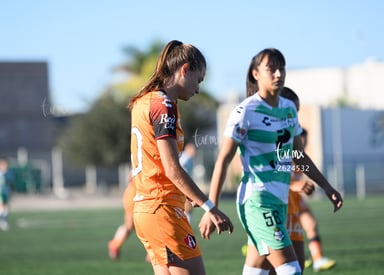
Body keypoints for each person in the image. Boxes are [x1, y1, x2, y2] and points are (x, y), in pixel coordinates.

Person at [199, 48, 343, 275]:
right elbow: (223, 160)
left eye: (281, 68)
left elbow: (299, 156)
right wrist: (211, 207)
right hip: (257, 201)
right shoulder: (245, 111)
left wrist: (327, 186)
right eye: (271, 69)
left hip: (280, 200)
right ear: (256, 74)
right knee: (291, 270)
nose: (278, 74)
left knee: (257, 271)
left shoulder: (288, 109)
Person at [128, 40, 233, 275]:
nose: (198, 89)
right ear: (184, 70)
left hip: (148, 208)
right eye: (199, 79)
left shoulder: (144, 101)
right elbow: (172, 169)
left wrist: (188, 194)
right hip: (162, 208)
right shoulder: (163, 105)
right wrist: (210, 207)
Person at [280, 87, 337, 272]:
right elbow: (259, 170)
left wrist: (326, 186)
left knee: (298, 267)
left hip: (293, 207)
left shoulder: (289, 136)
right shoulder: (264, 132)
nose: (295, 116)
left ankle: (318, 258)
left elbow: (300, 160)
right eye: (292, 111)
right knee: (283, 268)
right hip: (271, 207)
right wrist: (294, 184)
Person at [107, 143, 196, 261]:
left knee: (151, 222)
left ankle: (153, 251)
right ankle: (115, 245)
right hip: (137, 194)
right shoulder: (152, 156)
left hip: (139, 193)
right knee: (132, 225)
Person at [0, 159, 11, 231]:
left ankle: (4, 221)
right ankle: (2, 221)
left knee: (5, 207)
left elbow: (10, 180)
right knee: (1, 206)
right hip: (0, 192)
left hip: (5, 192)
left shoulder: (7, 173)